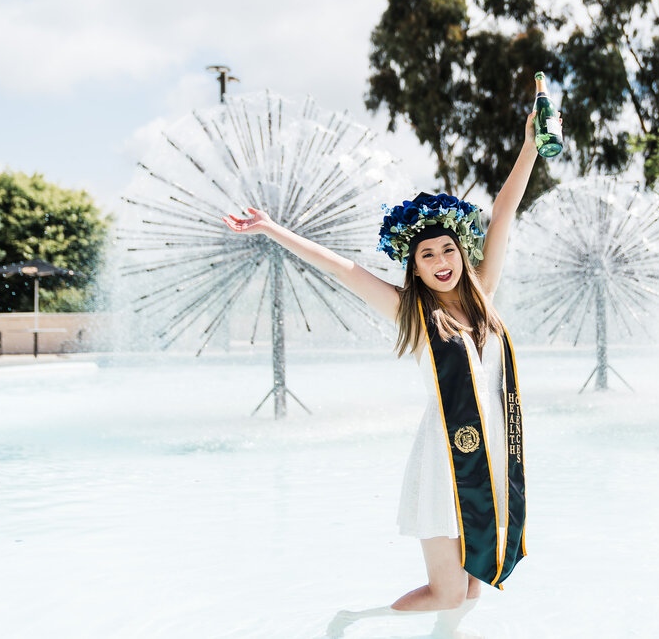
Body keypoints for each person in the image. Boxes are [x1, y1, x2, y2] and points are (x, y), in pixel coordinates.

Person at [222, 107, 559, 633]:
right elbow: (341, 268)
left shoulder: (485, 295)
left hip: (488, 453)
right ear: (416, 266)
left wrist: (531, 145)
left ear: (462, 254)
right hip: (444, 457)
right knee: (448, 590)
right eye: (428, 255)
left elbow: (505, 210)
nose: (441, 260)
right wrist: (271, 229)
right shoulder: (416, 313)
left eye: (449, 249)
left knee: (473, 587)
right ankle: (355, 618)